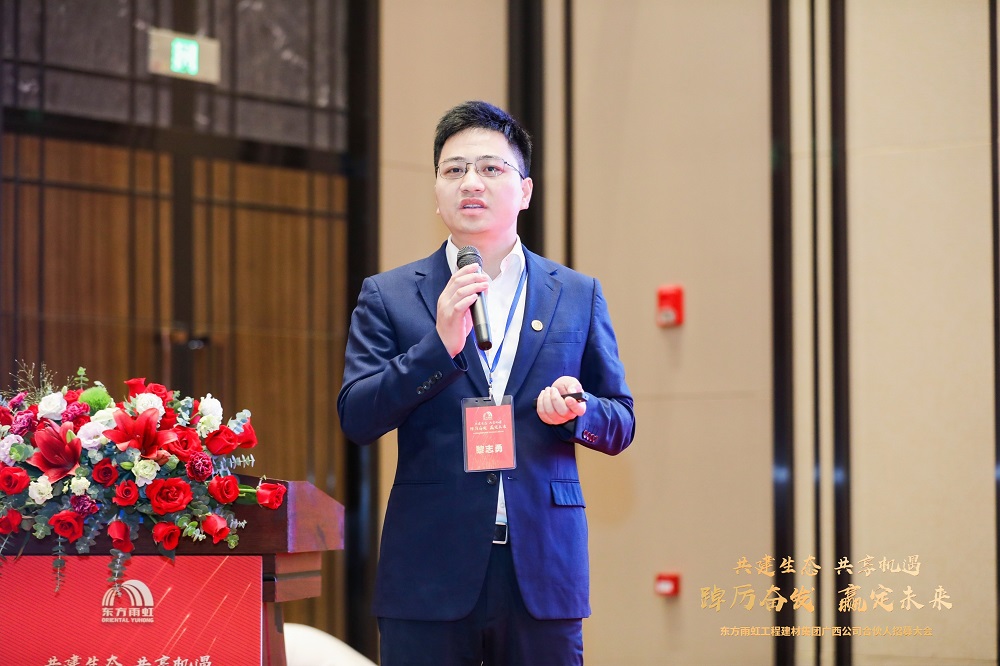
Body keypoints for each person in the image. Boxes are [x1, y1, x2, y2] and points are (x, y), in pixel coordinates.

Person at [337, 100, 635, 666]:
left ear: (524, 191)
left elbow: (620, 420)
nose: (470, 182)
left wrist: (579, 412)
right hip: (428, 571)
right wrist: (437, 347)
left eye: (490, 168)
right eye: (454, 169)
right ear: (436, 192)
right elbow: (357, 416)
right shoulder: (390, 295)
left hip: (542, 569)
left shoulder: (577, 293)